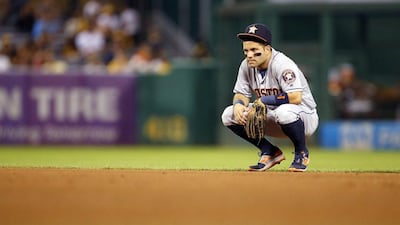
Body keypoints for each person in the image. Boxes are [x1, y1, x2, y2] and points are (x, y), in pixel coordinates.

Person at [221, 23, 319, 172]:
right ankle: (270, 151)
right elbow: (241, 94)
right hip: (273, 118)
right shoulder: (246, 66)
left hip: (303, 117)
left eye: (254, 50)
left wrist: (264, 100)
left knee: (284, 112)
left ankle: (301, 152)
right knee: (228, 114)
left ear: (267, 49)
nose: (249, 55)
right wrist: (239, 105)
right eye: (246, 51)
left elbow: (295, 97)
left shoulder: (282, 64)